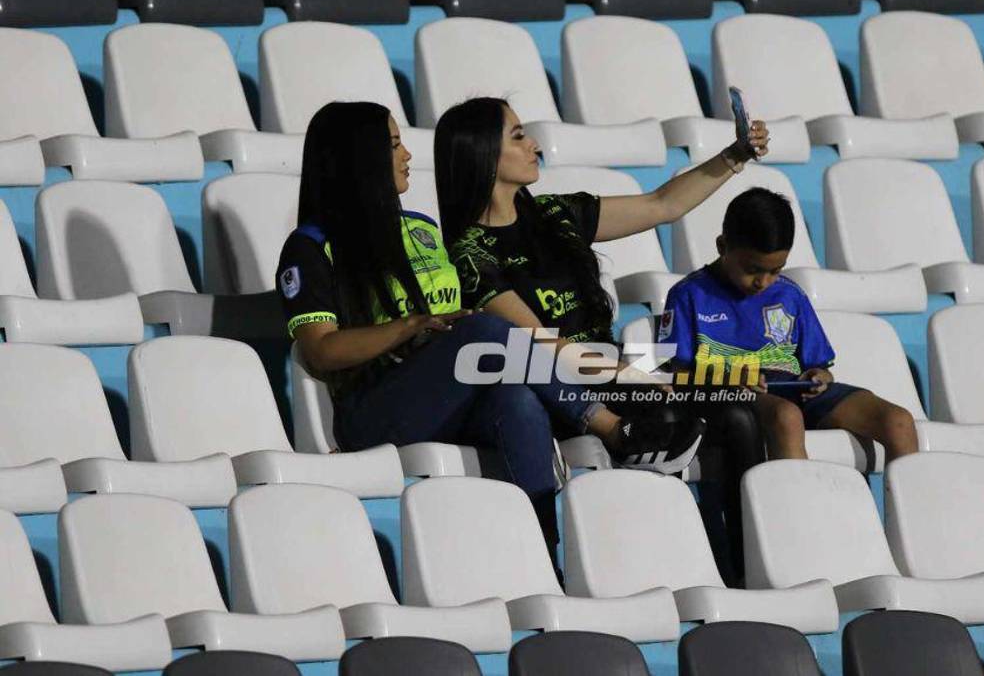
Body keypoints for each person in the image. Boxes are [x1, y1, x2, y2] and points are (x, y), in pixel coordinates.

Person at [274, 101, 697, 556]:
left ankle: (542, 551)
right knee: (483, 330)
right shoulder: (310, 248)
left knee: (515, 400)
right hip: (374, 411)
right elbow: (321, 350)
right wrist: (408, 327)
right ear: (361, 159)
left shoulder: (421, 231)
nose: (407, 155)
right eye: (394, 145)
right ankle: (611, 427)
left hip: (448, 393)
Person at [434, 97, 771, 574]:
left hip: (611, 366)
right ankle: (652, 568)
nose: (534, 145)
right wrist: (641, 378)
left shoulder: (556, 215)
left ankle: (745, 571)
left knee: (737, 415)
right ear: (483, 153)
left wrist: (734, 157)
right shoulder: (468, 254)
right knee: (670, 410)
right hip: (562, 387)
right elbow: (548, 347)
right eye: (518, 136)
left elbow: (663, 204)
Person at [659, 187, 919, 464]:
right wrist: (731, 377)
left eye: (775, 270)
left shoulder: (790, 294)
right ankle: (800, 493)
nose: (763, 282)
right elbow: (676, 375)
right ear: (722, 246)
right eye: (752, 270)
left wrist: (820, 377)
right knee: (787, 417)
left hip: (797, 392)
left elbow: (819, 368)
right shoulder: (687, 295)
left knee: (899, 421)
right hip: (733, 396)